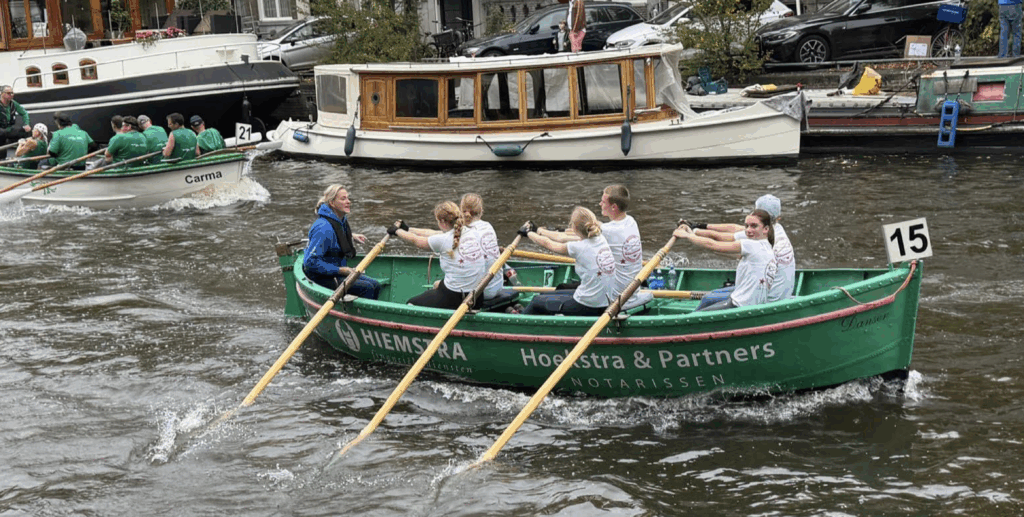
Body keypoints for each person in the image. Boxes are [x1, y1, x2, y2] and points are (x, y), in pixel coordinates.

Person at [538, 185, 645, 304]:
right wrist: (560, 229)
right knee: (566, 287)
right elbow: (593, 227)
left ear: (614, 207)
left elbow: (567, 238)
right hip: (631, 288)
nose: (600, 204)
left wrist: (540, 231)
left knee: (561, 289)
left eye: (603, 202)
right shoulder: (631, 221)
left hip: (615, 294)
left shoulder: (608, 231)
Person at [681, 194, 795, 304]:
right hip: (780, 295)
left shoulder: (759, 236)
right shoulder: (776, 229)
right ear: (778, 218)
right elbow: (735, 228)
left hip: (766, 299)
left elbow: (719, 239)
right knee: (714, 294)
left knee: (708, 299)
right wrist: (699, 226)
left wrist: (692, 233)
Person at [674, 209, 778, 312]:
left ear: (766, 229)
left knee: (696, 316)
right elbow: (726, 251)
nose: (748, 230)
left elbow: (713, 244)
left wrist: (687, 235)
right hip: (752, 304)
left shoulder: (750, 245)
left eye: (754, 226)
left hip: (740, 305)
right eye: (746, 226)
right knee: (708, 298)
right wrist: (699, 240)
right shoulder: (767, 247)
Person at [391, 201, 487, 310]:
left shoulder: (444, 239)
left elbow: (416, 240)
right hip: (477, 296)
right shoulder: (471, 231)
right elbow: (433, 233)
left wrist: (396, 231)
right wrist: (407, 229)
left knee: (411, 303)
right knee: (437, 284)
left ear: (442, 221)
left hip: (456, 298)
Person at [521, 206, 616, 316]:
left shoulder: (579, 247)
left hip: (588, 306)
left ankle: (517, 322)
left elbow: (548, 244)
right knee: (547, 293)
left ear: (574, 228)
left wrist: (527, 233)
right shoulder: (600, 237)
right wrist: (537, 230)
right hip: (606, 302)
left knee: (536, 301)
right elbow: (561, 237)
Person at [302, 184, 382, 299]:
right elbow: (310, 262)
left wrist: (350, 236)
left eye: (348, 198)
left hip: (336, 271)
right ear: (332, 203)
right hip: (322, 277)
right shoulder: (323, 229)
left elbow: (337, 232)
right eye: (343, 199)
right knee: (367, 287)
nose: (348, 201)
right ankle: (357, 315)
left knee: (376, 285)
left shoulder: (339, 219)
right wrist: (340, 270)